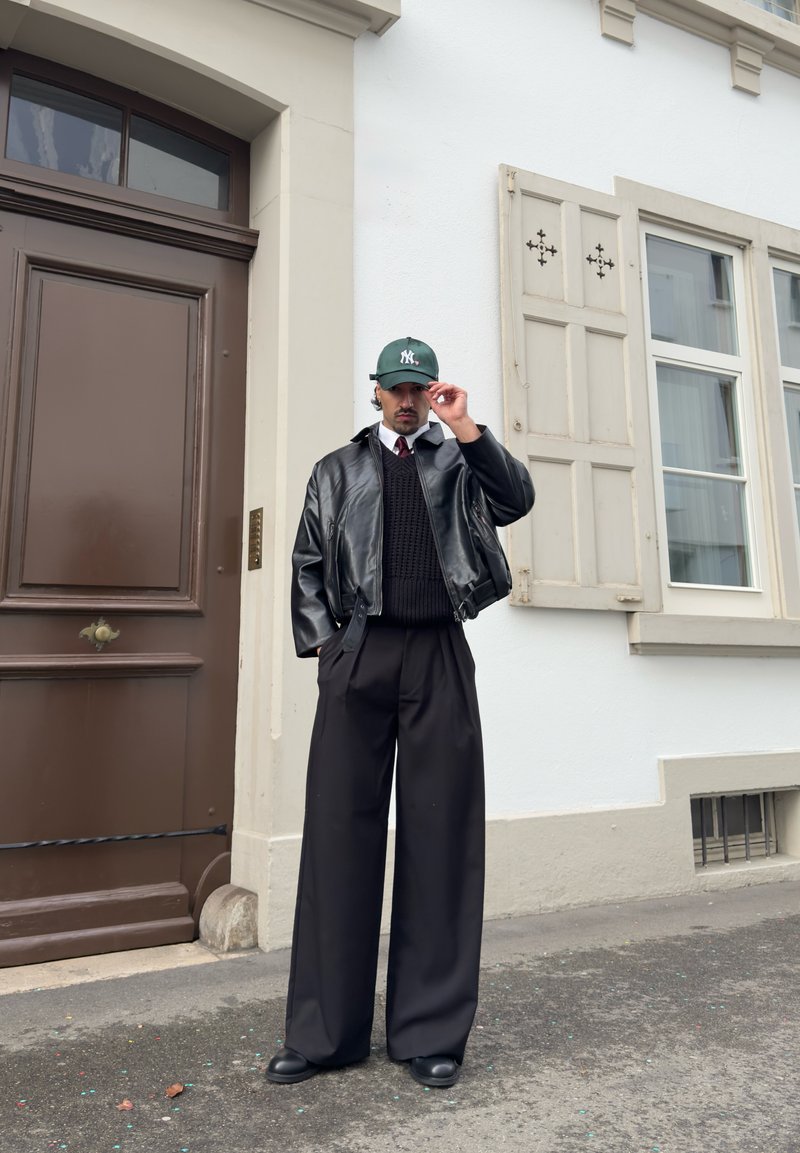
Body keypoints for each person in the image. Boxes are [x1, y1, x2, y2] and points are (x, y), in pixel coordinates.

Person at [267, 337, 534, 1089]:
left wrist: (470, 429)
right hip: (361, 656)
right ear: (375, 392)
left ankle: (430, 1031)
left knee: (442, 834)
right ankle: (325, 1034)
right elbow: (307, 566)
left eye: (422, 388)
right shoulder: (337, 469)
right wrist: (330, 652)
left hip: (440, 654)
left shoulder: (459, 462)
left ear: (433, 392)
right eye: (398, 388)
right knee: (336, 836)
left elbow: (518, 499)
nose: (410, 399)